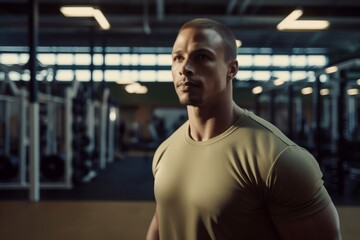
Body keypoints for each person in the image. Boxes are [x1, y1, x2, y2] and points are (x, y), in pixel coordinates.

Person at [146, 18, 341, 240]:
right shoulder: (165, 151)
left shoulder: (278, 159)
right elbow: (163, 222)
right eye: (178, 58)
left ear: (231, 69)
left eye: (202, 57)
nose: (185, 68)